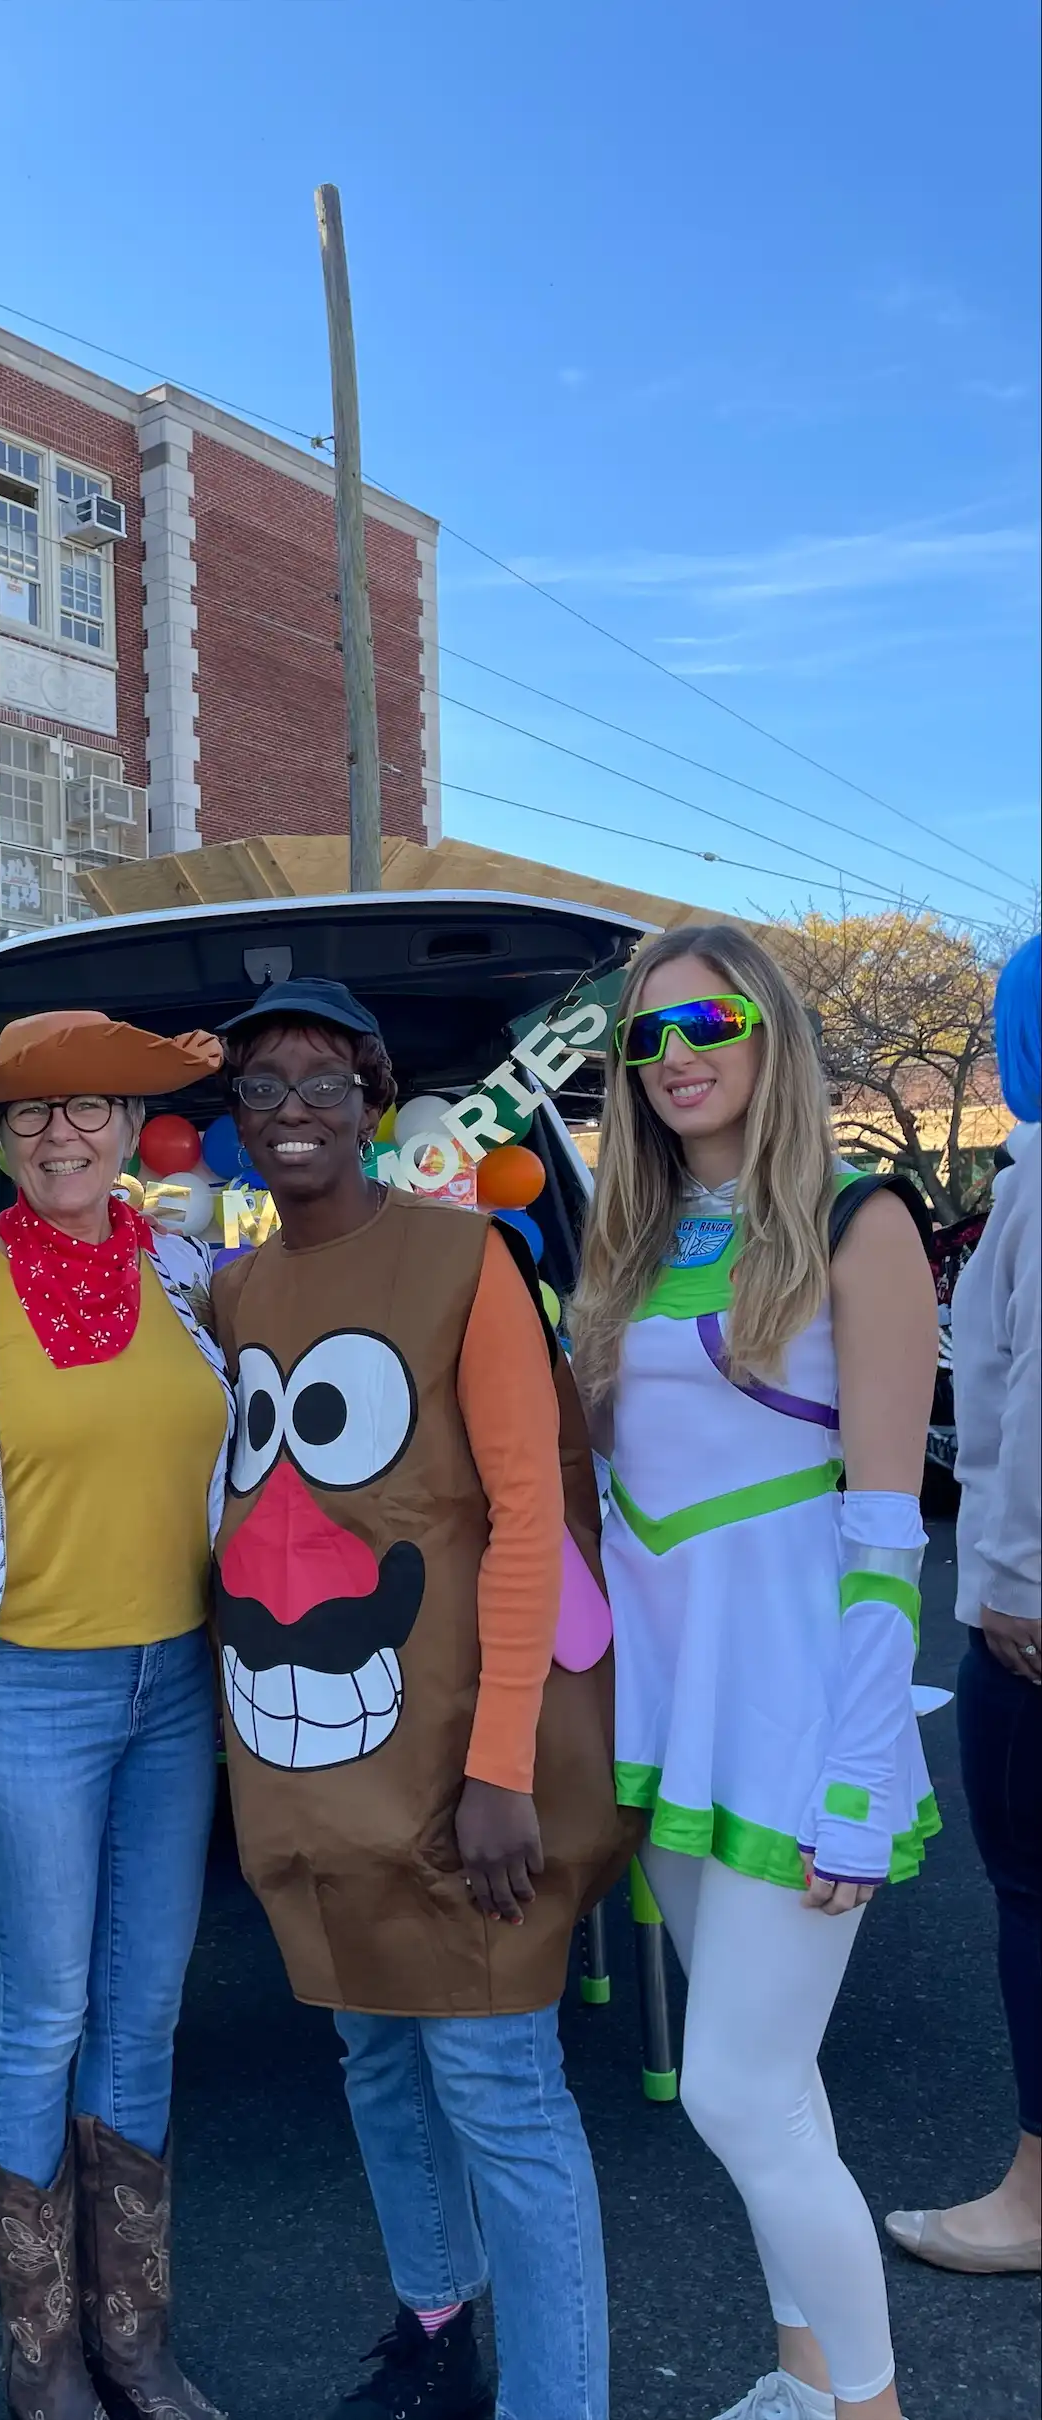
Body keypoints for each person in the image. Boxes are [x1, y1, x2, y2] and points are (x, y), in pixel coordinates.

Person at [210, 978, 631, 2420]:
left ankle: (557, 2402)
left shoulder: (464, 1262)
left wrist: (505, 1765)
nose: (295, 1111)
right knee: (373, 2063)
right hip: (314, 1761)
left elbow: (530, 1515)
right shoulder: (239, 1288)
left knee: (502, 2094)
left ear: (377, 1102)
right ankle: (437, 2333)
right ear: (237, 1121)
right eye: (264, 1087)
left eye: (327, 1080)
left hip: (460, 1759)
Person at [571, 924, 939, 2420]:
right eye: (644, 1042)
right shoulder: (633, 1246)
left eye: (704, 1024)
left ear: (770, 1033)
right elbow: (612, 1490)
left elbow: (885, 1533)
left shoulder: (862, 1227)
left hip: (798, 1725)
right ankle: (804, 2379)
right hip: (672, 1720)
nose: (676, 1060)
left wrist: (859, 1776)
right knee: (775, 2090)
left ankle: (872, 2407)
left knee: (730, 2090)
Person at [0, 1009, 234, 2420]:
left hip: (175, 1687)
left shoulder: (196, 1281)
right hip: (23, 1689)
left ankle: (131, 2333)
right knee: (42, 2013)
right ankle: (44, 2358)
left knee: (142, 2017)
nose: (57, 1135)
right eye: (25, 1116)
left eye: (85, 1109)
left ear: (133, 1126)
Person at [886, 933, 1041, 2274]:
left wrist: (1017, 1592)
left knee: (1034, 1892)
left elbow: (1031, 1404)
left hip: (1034, 1606)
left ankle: (1038, 2198)